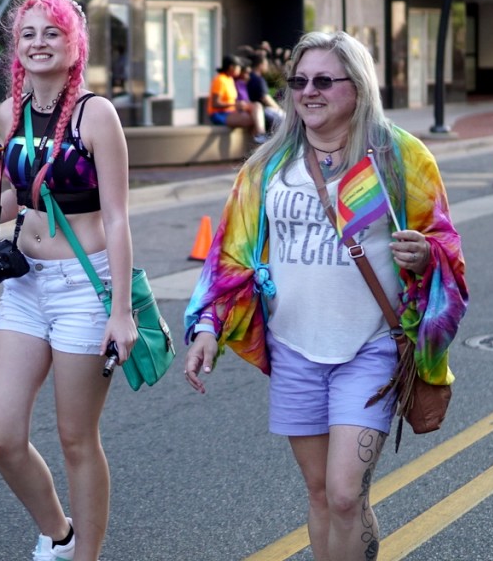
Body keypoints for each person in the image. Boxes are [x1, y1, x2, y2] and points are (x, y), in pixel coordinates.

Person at [182, 31, 468, 561]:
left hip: (371, 348)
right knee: (319, 494)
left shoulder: (400, 157)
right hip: (294, 351)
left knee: (344, 494)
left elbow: (446, 245)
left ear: (357, 87)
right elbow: (230, 257)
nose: (308, 92)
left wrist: (425, 255)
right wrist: (206, 329)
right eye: (298, 81)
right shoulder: (267, 165)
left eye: (323, 81)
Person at [0, 0, 137, 561]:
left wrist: (121, 312)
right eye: (29, 34)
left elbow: (116, 217)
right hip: (25, 285)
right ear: (16, 47)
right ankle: (59, 534)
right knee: (3, 435)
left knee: (75, 438)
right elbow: (13, 198)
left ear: (74, 44)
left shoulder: (97, 114)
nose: (39, 43)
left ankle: (84, 556)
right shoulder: (8, 112)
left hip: (83, 292)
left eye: (52, 33)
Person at [208, 55, 265, 143]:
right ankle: (257, 145)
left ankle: (261, 135)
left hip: (231, 111)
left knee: (257, 106)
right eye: (238, 67)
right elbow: (215, 103)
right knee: (253, 119)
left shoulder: (230, 79)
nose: (240, 69)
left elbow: (230, 99)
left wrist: (239, 105)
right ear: (231, 67)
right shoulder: (219, 80)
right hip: (220, 114)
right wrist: (235, 104)